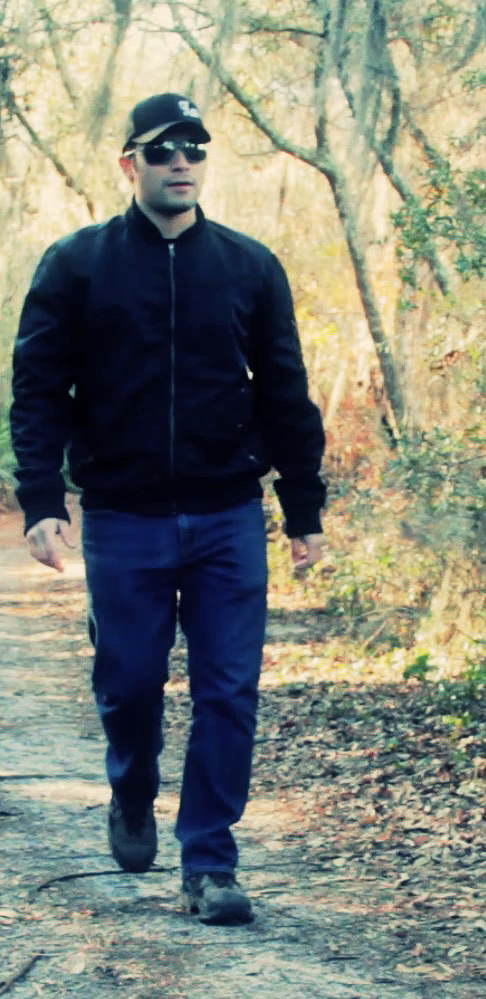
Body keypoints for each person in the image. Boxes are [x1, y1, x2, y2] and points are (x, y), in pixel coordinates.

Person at [10, 93, 326, 925]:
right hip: (125, 516)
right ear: (130, 164)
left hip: (228, 514)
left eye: (193, 148)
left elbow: (285, 390)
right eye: (161, 150)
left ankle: (209, 862)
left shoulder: (250, 267)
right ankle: (132, 786)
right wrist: (40, 498)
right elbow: (38, 389)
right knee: (129, 683)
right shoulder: (77, 264)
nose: (180, 162)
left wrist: (302, 507)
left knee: (229, 691)